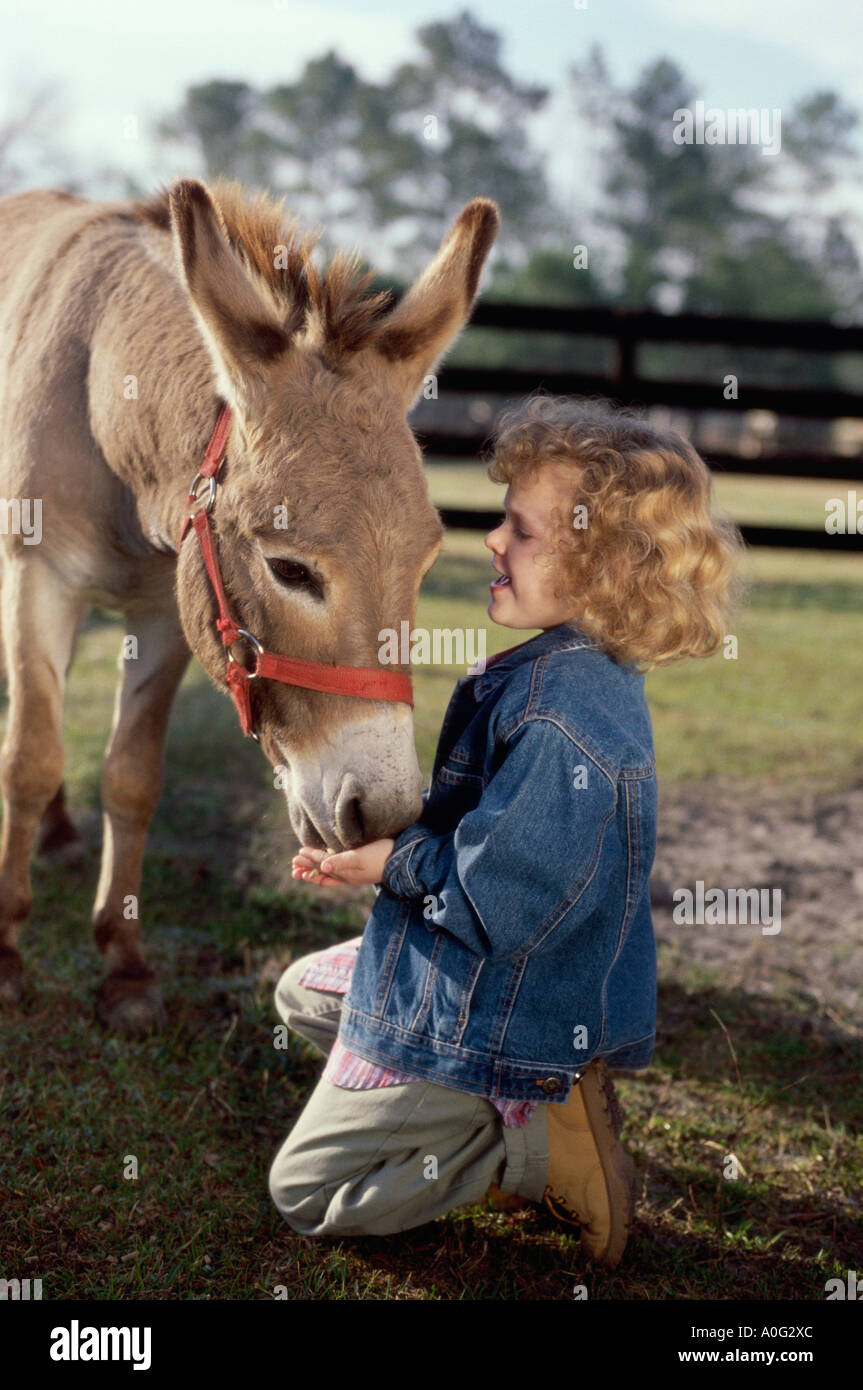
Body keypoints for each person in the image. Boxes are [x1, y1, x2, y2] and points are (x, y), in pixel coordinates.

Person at [268, 394, 743, 1267]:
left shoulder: (565, 722)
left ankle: (521, 1138)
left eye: (520, 531)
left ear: (602, 570)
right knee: (301, 993)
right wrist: (378, 866)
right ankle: (527, 1089)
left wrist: (393, 863)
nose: (491, 540)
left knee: (306, 1194)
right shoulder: (557, 674)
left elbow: (494, 901)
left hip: (493, 999)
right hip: (487, 974)